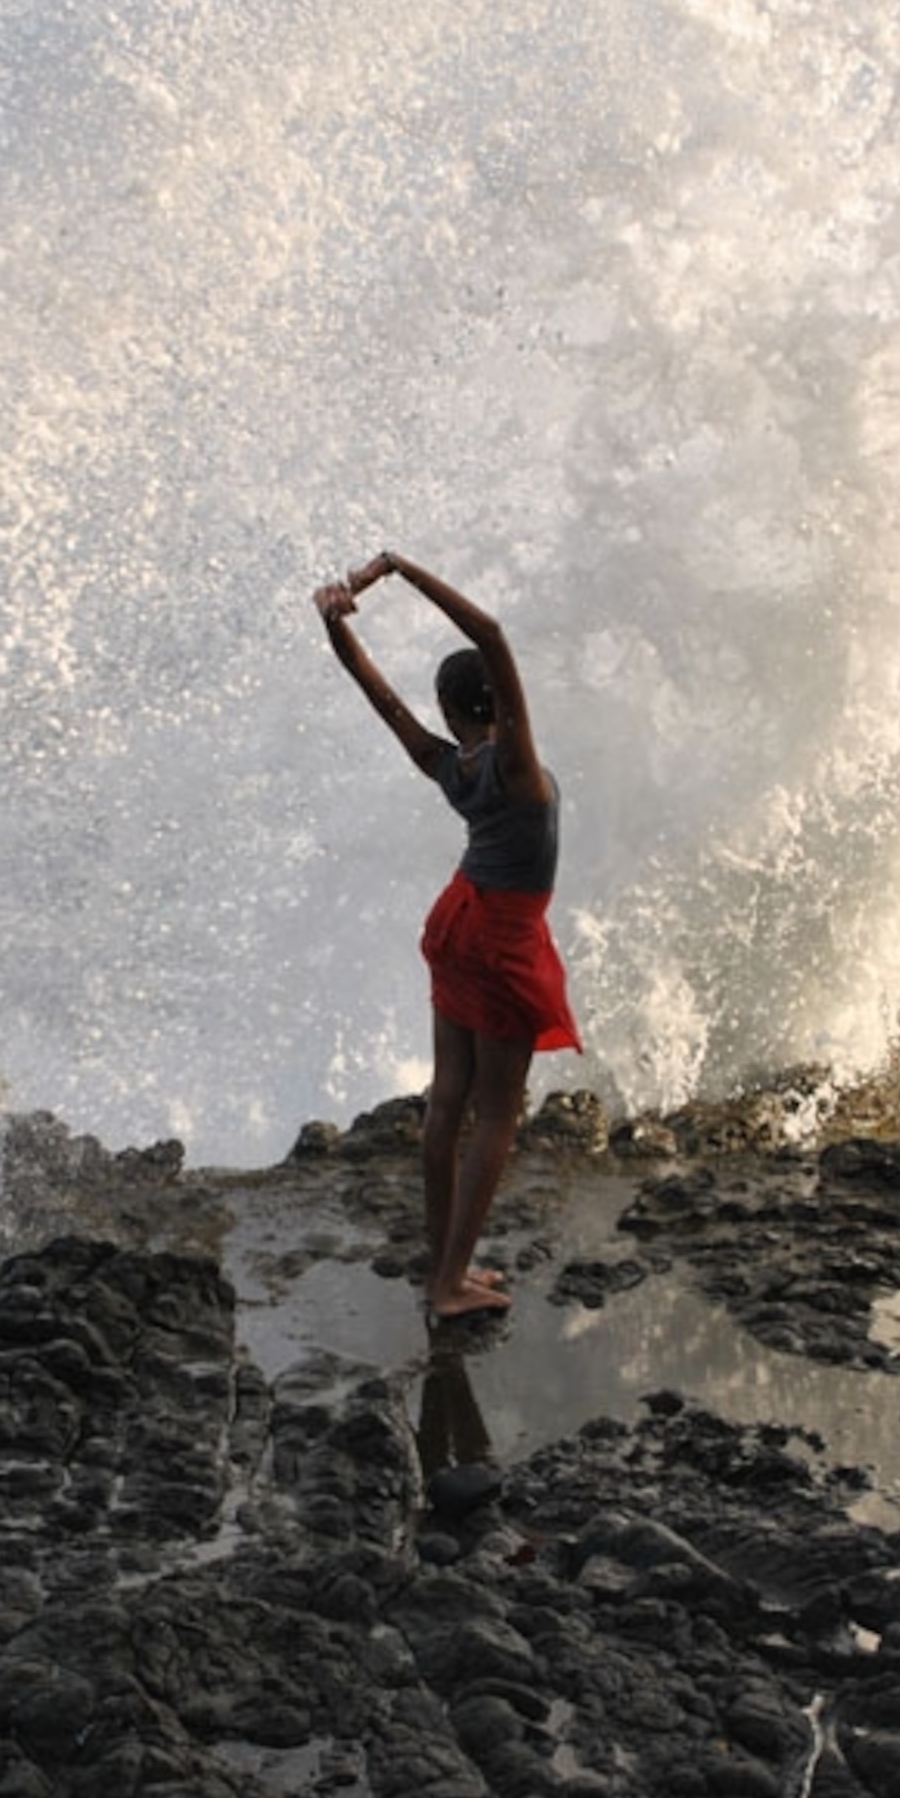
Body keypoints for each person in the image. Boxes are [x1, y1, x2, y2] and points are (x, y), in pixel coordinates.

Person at [314, 549, 581, 1322]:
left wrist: (337, 627)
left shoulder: (449, 763)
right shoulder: (516, 769)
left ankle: (446, 1266)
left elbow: (380, 698)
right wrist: (399, 569)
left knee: (448, 1101)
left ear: (450, 709)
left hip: (457, 920)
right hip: (501, 937)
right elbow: (491, 633)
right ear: (497, 700)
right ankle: (449, 1283)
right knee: (497, 1112)